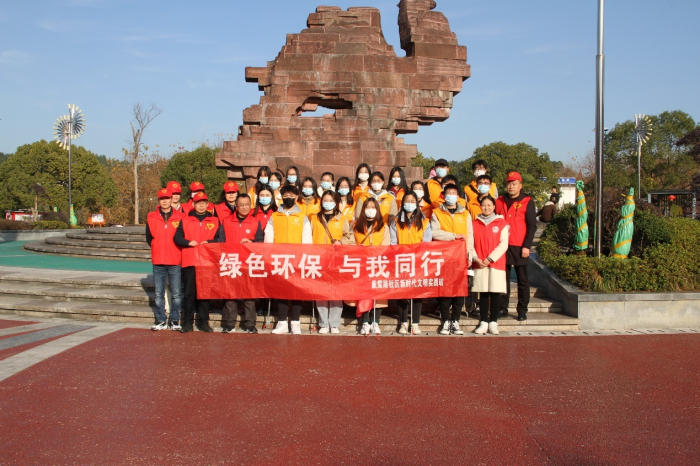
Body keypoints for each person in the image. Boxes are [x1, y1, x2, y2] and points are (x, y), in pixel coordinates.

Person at [264, 184, 313, 335]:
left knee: (296, 291)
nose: (288, 198)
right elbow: (268, 238)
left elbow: (307, 239)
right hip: (279, 259)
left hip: (297, 259)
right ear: (282, 197)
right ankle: (282, 322)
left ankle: (295, 322)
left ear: (296, 197)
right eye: (285, 195)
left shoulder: (302, 217)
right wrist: (270, 257)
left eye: (291, 195)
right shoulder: (274, 216)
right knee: (281, 291)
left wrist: (304, 258)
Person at [174, 192, 222, 333]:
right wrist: (187, 242)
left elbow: (220, 239)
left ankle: (203, 322)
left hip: (207, 261)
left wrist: (210, 242)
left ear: (208, 204)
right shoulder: (185, 220)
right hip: (190, 260)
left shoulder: (215, 221)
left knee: (205, 293)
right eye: (198, 203)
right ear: (193, 204)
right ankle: (187, 323)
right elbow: (177, 237)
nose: (201, 205)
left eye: (204, 203)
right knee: (189, 294)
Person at [431, 183, 474, 336]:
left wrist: (470, 255)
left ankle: (455, 320)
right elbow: (435, 233)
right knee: (445, 290)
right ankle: (446, 321)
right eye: (448, 193)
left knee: (459, 290)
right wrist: (453, 237)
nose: (451, 196)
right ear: (443, 195)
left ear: (458, 196)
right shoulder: (437, 213)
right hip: (444, 257)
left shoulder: (465, 213)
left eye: (454, 193)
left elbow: (470, 236)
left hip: (461, 257)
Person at [219, 193, 264, 334]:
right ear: (236, 206)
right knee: (230, 295)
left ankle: (250, 324)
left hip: (248, 262)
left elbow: (260, 242)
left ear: (250, 206)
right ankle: (229, 324)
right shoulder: (226, 221)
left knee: (249, 295)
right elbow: (220, 241)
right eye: (241, 205)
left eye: (247, 205)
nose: (244, 207)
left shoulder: (255, 222)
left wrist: (251, 243)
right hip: (231, 261)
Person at [495, 171, 537, 321]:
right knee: (503, 279)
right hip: (502, 246)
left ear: (520, 185)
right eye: (509, 183)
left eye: (514, 183)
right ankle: (502, 308)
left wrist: (527, 246)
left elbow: (532, 225)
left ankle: (522, 310)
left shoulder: (527, 201)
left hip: (519, 246)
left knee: (522, 281)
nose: (511, 186)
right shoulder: (499, 201)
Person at [310, 191, 353, 334]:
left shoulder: (342, 219)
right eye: (325, 200)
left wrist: (341, 241)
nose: (328, 203)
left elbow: (350, 237)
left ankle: (334, 323)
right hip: (319, 259)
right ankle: (323, 323)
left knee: (336, 292)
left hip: (336, 259)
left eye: (331, 200)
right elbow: (309, 236)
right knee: (321, 292)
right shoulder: (315, 218)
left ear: (336, 202)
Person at [391, 192, 432, 335]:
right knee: (402, 292)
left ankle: (415, 323)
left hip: (418, 261)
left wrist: (417, 256)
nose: (409, 203)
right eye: (407, 201)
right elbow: (393, 242)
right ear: (402, 203)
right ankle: (403, 322)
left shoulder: (424, 221)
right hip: (401, 261)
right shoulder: (396, 221)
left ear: (417, 203)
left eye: (412, 201)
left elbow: (426, 242)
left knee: (417, 292)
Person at [146, 188, 184, 331]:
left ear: (171, 199)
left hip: (175, 259)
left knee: (176, 293)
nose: (165, 201)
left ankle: (174, 320)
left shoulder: (180, 217)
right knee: (158, 293)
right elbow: (148, 238)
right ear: (159, 200)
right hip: (158, 260)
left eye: (167, 198)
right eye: (162, 199)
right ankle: (160, 319)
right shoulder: (151, 217)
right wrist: (157, 247)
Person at [471, 195, 510, 335]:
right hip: (480, 263)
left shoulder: (502, 223)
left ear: (494, 207)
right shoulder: (474, 223)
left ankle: (493, 321)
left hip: (496, 263)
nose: (486, 208)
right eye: (484, 205)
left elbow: (503, 244)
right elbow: (470, 243)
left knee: (495, 293)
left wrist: (490, 258)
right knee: (483, 292)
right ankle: (483, 321)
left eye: (489, 205)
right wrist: (476, 258)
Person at [351, 198, 390, 335]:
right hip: (361, 264)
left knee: (378, 294)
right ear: (363, 209)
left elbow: (386, 245)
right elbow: (350, 242)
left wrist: (376, 253)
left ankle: (375, 321)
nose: (371, 210)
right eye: (368, 207)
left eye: (373, 207)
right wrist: (358, 248)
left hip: (378, 264)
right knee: (363, 293)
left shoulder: (383, 226)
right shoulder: (355, 225)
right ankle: (365, 321)